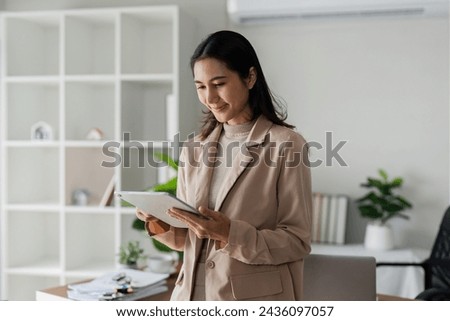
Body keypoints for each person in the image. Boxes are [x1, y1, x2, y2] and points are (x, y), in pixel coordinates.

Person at [136, 30, 312, 301]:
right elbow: (190, 241)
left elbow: (296, 242)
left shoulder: (286, 144)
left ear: (250, 77)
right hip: (190, 298)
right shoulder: (194, 148)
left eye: (219, 83)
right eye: (201, 86)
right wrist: (161, 223)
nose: (210, 97)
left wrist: (230, 233)